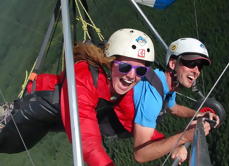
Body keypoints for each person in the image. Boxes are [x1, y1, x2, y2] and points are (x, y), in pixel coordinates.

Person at [0, 28, 155, 166]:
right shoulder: (84, 76)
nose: (131, 76)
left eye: (140, 71)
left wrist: (171, 142)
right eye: (125, 66)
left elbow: (132, 121)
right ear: (110, 61)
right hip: (15, 120)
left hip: (33, 132)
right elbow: (87, 140)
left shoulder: (121, 87)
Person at [113, 37, 221, 164]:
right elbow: (140, 154)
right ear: (172, 64)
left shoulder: (164, 82)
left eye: (200, 66)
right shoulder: (152, 97)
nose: (196, 71)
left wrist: (198, 114)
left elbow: (174, 108)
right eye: (191, 64)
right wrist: (183, 138)